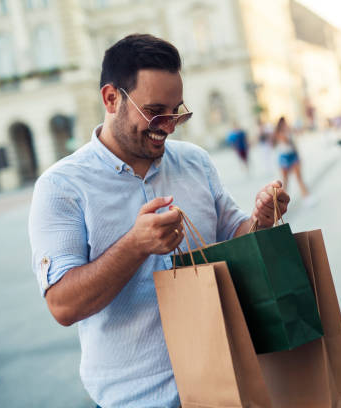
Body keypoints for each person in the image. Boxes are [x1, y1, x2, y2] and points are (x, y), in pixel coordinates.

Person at [28, 34, 290, 408]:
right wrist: (136, 245)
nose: (167, 125)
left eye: (176, 111)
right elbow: (63, 306)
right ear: (111, 98)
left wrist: (263, 219)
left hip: (226, 384)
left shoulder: (195, 161)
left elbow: (236, 235)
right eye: (155, 111)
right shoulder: (61, 188)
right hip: (136, 400)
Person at [272, 116, 315, 206]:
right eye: (284, 122)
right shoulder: (279, 133)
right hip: (284, 157)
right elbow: (284, 141)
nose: (285, 124)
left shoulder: (289, 130)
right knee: (285, 182)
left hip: (293, 155)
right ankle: (280, 204)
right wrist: (287, 133)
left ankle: (307, 197)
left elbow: (293, 144)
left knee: (299, 178)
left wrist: (298, 156)